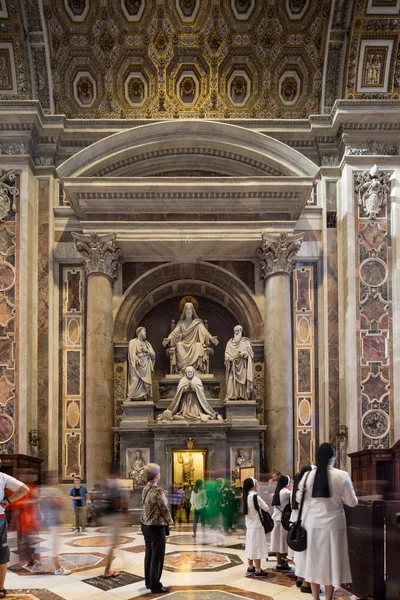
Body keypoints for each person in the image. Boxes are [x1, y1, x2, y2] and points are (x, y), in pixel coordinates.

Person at [295, 443, 358, 600]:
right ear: (333, 458)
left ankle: (315, 597)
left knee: (314, 564)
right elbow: (352, 502)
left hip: (311, 525)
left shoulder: (308, 476)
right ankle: (328, 597)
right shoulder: (342, 475)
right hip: (333, 527)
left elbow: (298, 498)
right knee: (331, 564)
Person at [141, 463, 174, 594]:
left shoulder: (145, 488)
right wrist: (170, 520)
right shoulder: (157, 491)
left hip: (145, 524)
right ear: (156, 475)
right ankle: (155, 585)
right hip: (156, 526)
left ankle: (149, 581)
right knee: (157, 556)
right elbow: (164, 507)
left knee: (149, 554)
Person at [162, 301, 218, 373]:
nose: (188, 311)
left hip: (194, 343)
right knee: (179, 345)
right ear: (184, 311)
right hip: (184, 343)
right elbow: (174, 333)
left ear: (193, 311)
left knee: (198, 345)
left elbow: (205, 332)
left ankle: (196, 368)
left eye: (190, 309)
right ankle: (183, 368)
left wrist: (211, 338)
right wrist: (168, 339)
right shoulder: (180, 323)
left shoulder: (198, 323)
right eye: (187, 309)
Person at [0, 464, 29, 597]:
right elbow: (24, 489)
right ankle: (0, 588)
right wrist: (8, 500)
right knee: (1, 552)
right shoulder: (2, 477)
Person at [40, 471, 71, 575]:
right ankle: (58, 569)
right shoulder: (51, 490)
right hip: (53, 520)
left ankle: (35, 563)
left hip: (51, 520)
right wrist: (61, 501)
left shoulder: (46, 490)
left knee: (52, 543)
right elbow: (57, 502)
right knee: (54, 544)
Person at [291, 465, 312, 592]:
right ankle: (306, 582)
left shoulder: (298, 489)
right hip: (308, 524)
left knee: (301, 553)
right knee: (307, 554)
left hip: (300, 524)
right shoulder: (307, 489)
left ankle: (300, 578)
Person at [242, 477, 269, 577]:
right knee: (257, 547)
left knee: (250, 546)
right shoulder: (255, 496)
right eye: (256, 484)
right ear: (253, 486)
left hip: (249, 525)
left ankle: (250, 566)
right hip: (257, 525)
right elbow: (266, 507)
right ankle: (258, 570)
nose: (258, 485)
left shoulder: (245, 496)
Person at [224, 325, 254, 400]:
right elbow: (226, 354)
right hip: (233, 365)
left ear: (241, 331)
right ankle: (231, 396)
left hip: (243, 365)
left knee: (243, 382)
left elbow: (251, 353)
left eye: (239, 330)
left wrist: (245, 353)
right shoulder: (229, 343)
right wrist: (229, 358)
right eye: (236, 331)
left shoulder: (246, 342)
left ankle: (243, 396)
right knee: (231, 380)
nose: (237, 332)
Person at [127, 327, 156, 400]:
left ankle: (144, 396)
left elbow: (153, 355)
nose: (145, 333)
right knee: (135, 379)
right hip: (137, 365)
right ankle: (131, 396)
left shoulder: (147, 344)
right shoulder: (133, 342)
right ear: (139, 332)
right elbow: (131, 354)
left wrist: (147, 351)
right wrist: (137, 359)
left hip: (146, 364)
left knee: (144, 383)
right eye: (144, 331)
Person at [270, 475, 292, 571]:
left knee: (278, 543)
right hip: (283, 521)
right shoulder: (287, 492)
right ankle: (284, 561)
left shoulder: (277, 492)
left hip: (276, 519)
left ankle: (279, 563)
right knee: (283, 542)